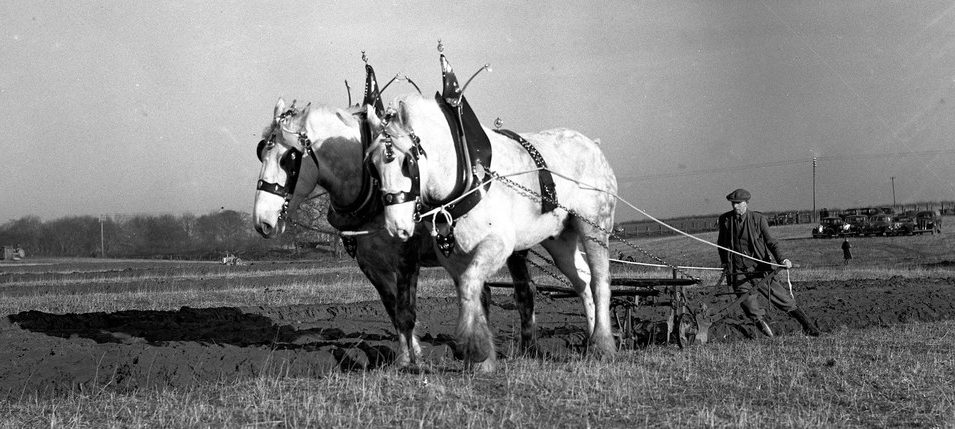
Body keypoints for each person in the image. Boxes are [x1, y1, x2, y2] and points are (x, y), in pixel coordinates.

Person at [716, 188, 820, 337]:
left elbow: (771, 242)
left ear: (746, 203)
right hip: (738, 271)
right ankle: (768, 337)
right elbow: (722, 244)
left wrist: (782, 259)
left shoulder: (758, 220)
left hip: (759, 269)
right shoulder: (725, 220)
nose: (735, 206)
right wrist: (725, 262)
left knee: (783, 300)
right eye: (733, 203)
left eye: (738, 203)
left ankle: (810, 328)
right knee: (750, 308)